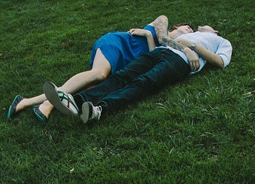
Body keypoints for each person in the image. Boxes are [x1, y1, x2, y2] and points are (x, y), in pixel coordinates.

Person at [7, 16, 194, 122]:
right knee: (98, 74)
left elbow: (154, 54)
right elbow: (162, 39)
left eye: (192, 32)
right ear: (178, 26)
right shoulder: (162, 21)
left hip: (126, 62)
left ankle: (25, 101)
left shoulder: (164, 46)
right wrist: (186, 49)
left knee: (93, 86)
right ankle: (47, 104)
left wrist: (146, 36)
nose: (190, 31)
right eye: (188, 28)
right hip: (118, 44)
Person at [43, 25, 232, 123]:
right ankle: (76, 101)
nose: (194, 28)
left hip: (179, 63)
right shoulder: (183, 36)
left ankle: (100, 110)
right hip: (158, 52)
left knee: (144, 82)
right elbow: (165, 41)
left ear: (214, 30)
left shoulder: (222, 41)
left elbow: (221, 62)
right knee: (122, 76)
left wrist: (193, 47)